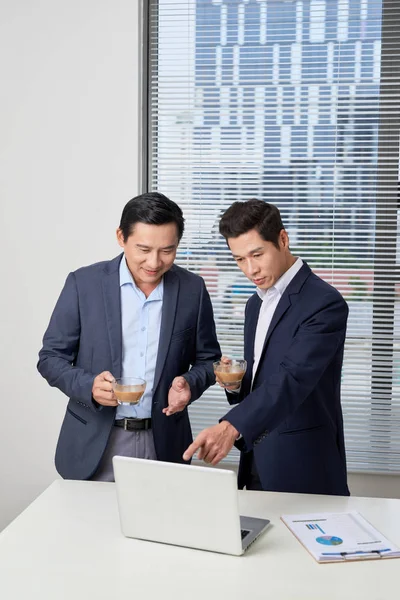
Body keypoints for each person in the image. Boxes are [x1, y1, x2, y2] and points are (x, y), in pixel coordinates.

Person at [38, 192, 221, 481]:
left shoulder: (192, 289)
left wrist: (189, 383)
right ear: (121, 237)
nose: (155, 262)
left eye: (167, 250)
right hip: (96, 441)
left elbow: (209, 360)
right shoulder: (83, 284)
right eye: (144, 249)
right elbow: (50, 358)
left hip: (165, 443)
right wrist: (89, 386)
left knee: (161, 525)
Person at [183, 199, 350, 496]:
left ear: (282, 239)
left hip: (303, 465)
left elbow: (293, 379)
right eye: (239, 259)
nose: (251, 269)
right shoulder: (254, 304)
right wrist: (234, 384)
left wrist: (229, 427)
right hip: (256, 459)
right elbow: (264, 378)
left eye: (257, 254)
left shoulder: (324, 303)